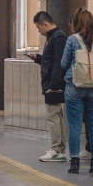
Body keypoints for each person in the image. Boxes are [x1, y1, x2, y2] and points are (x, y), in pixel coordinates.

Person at [60, 8, 93, 175]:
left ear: (76, 23)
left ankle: (74, 163)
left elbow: (63, 63)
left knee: (74, 126)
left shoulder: (72, 40)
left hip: (75, 87)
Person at [33, 11, 68, 163]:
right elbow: (51, 61)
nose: (39, 31)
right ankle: (59, 148)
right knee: (56, 116)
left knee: (53, 116)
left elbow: (58, 63)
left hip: (54, 85)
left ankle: (56, 150)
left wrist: (54, 84)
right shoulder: (54, 38)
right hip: (52, 83)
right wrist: (39, 59)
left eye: (38, 28)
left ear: (45, 24)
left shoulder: (58, 38)